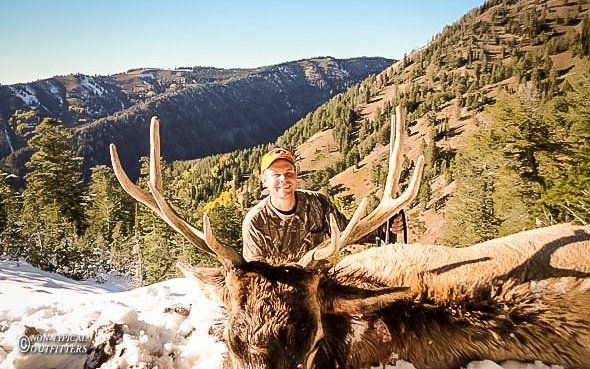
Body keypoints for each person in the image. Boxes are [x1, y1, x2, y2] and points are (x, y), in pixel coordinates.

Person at [242, 148, 407, 264]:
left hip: (319, 285)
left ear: (296, 175)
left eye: (288, 173)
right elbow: (256, 273)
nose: (283, 179)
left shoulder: (318, 204)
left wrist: (384, 229)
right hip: (278, 291)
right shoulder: (255, 222)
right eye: (276, 175)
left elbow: (347, 232)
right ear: (264, 180)